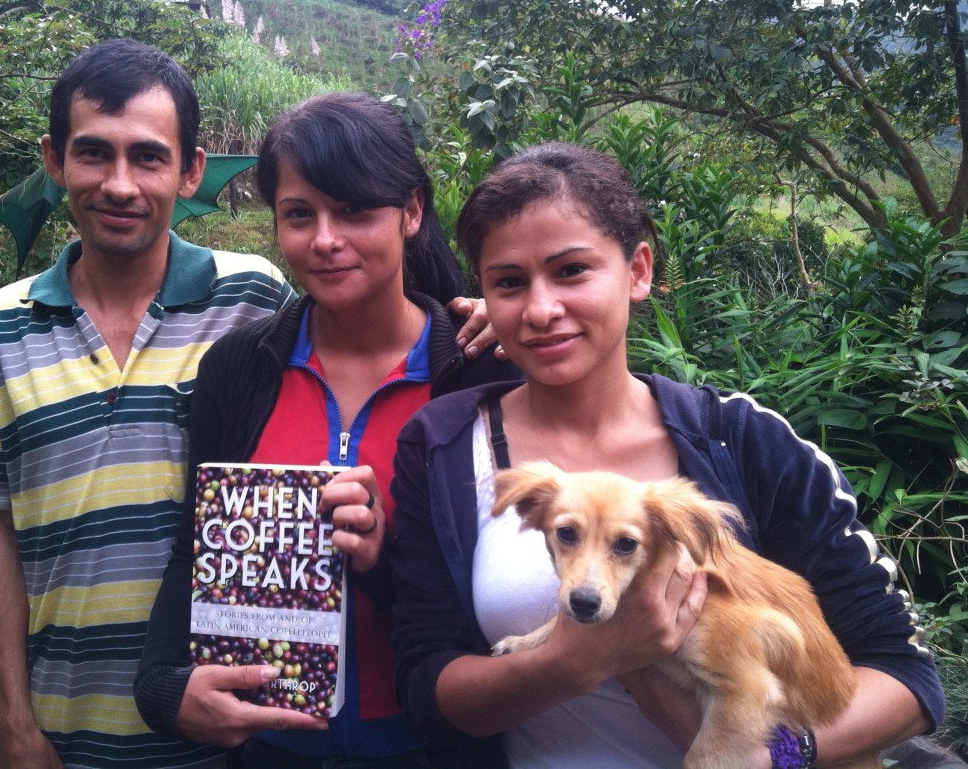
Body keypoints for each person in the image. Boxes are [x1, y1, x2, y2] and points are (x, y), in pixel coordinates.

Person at [388, 142, 946, 767]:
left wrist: (776, 757)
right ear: (483, 291)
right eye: (510, 282)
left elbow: (907, 677)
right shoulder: (442, 444)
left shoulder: (748, 442)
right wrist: (580, 659)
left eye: (572, 270)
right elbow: (424, 688)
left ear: (638, 271)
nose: (542, 309)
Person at [133, 91, 519, 768]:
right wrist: (164, 685)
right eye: (299, 214)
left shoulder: (477, 372)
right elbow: (198, 545)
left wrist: (382, 559)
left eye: (354, 210)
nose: (326, 240)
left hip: (437, 748)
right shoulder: (240, 368)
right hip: (274, 747)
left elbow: (514, 584)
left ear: (412, 211)